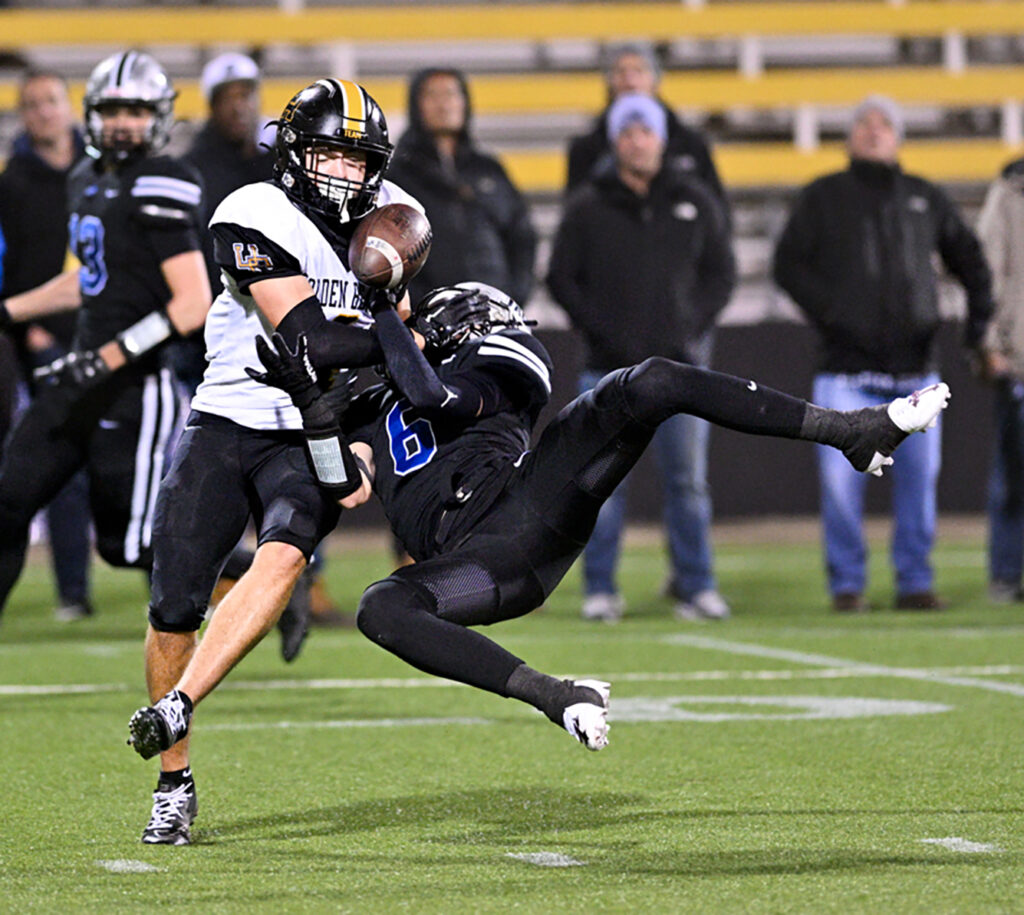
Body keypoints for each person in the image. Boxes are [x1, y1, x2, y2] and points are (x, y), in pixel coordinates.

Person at [126, 281, 951, 819]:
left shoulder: (497, 359)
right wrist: (312, 398)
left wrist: (379, 316)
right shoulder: (379, 387)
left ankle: (847, 432)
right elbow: (336, 472)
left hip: (526, 513)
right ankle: (556, 694)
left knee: (647, 383)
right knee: (384, 605)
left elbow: (434, 392)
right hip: (470, 565)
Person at [125, 78, 423, 845]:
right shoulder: (250, 211)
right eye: (327, 151)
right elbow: (316, 341)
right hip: (230, 419)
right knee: (172, 606)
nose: (343, 173)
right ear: (294, 150)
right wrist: (396, 337)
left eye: (358, 159)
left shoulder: (394, 220)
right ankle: (175, 777)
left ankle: (179, 705)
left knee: (287, 555)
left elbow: (388, 360)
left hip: (313, 434)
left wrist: (361, 437)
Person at [0, 52, 210, 623]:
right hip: (81, 376)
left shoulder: (164, 181)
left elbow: (193, 303)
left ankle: (250, 573)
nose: (122, 122)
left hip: (136, 386)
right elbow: (89, 280)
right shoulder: (86, 178)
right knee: (7, 500)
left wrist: (112, 355)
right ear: (92, 113)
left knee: (129, 547)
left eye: (136, 110)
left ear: (159, 116)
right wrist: (9, 310)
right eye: (113, 109)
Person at [772, 94, 994, 612]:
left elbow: (972, 262)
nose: (874, 131)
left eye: (884, 125)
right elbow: (788, 265)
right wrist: (831, 312)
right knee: (841, 492)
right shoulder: (823, 196)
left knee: (919, 489)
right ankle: (847, 585)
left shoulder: (924, 197)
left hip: (915, 372)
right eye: (865, 124)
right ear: (850, 136)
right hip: (845, 372)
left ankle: (915, 581)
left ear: (898, 138)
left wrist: (977, 325)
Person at [548, 93, 736, 622]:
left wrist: (690, 328)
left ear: (660, 138)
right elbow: (561, 277)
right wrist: (602, 329)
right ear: (615, 141)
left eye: (645, 131)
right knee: (600, 486)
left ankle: (696, 585)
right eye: (627, 132)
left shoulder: (694, 198)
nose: (637, 140)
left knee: (688, 485)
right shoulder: (588, 205)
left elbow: (722, 273)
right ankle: (600, 589)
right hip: (608, 369)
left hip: (679, 369)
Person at [0, 69, 93, 620]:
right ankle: (73, 591)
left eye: (51, 101)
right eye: (31, 104)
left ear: (68, 105)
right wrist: (27, 329)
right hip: (40, 341)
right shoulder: (12, 185)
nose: (43, 112)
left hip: (108, 339)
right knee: (57, 472)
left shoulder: (99, 171)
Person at [386, 68, 537, 307]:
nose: (443, 105)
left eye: (451, 94)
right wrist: (420, 302)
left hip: (494, 311)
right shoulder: (399, 175)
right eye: (432, 95)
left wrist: (514, 294)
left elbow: (522, 237)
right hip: (428, 317)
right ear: (416, 105)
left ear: (465, 102)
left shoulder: (489, 169)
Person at [565, 41, 726, 217]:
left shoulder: (691, 145)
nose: (630, 81)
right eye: (621, 72)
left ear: (655, 79)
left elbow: (717, 215)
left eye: (639, 71)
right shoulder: (586, 150)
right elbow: (574, 219)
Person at [975, 156, 1024, 601]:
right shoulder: (1010, 193)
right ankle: (1007, 573)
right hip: (1020, 357)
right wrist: (990, 345)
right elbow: (987, 274)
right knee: (1014, 474)